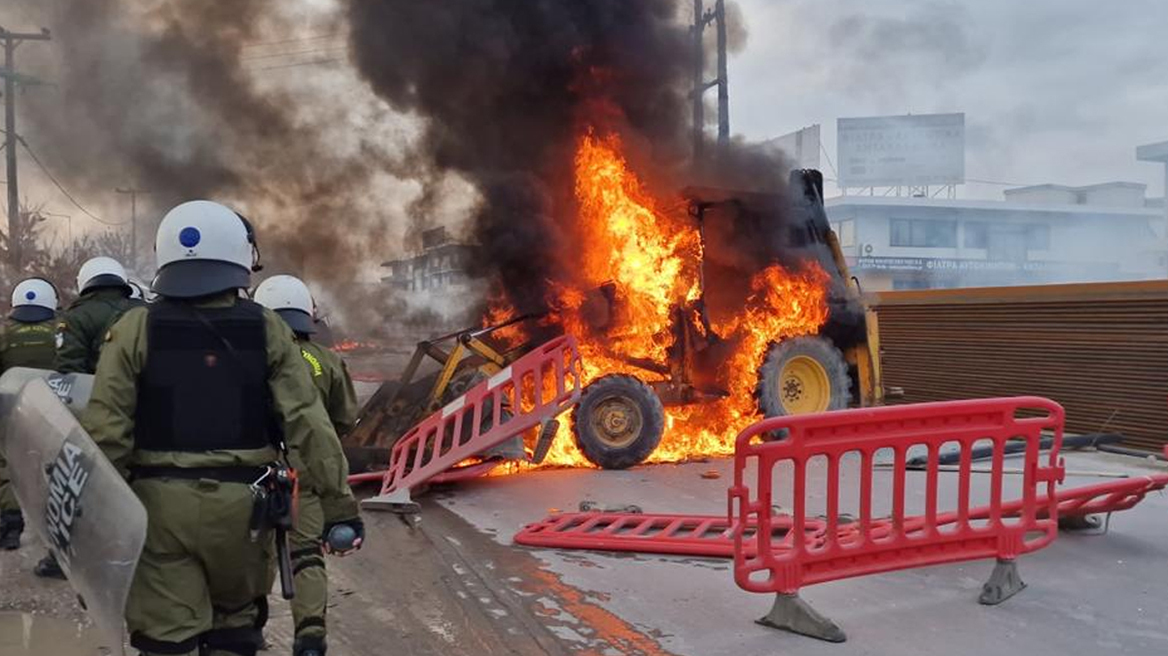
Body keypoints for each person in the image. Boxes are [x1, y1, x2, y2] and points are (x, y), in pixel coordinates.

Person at [81, 200, 363, 656]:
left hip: (159, 512)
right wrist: (338, 506)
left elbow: (106, 436)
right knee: (235, 632)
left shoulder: (133, 329)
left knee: (165, 638)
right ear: (240, 255)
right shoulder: (267, 328)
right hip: (244, 514)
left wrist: (90, 529)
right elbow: (308, 425)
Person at [255, 275, 358, 656]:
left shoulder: (248, 357)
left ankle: (248, 627)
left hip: (257, 470)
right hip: (309, 472)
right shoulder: (326, 360)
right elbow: (344, 418)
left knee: (254, 551)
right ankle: (310, 637)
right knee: (306, 554)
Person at [32, 257, 142, 578]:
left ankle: (63, 557)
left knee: (74, 484)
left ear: (85, 284)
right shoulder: (143, 312)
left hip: (99, 413)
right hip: (146, 415)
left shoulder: (76, 318)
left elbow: (70, 373)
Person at [0, 278, 59, 551]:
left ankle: (11, 526)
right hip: (53, 413)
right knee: (52, 466)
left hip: (11, 412)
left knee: (6, 467)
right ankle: (55, 530)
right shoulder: (59, 334)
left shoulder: (5, 335)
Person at [56, 256, 142, 374]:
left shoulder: (76, 317)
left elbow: (70, 369)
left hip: (98, 389)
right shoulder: (145, 309)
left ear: (82, 281)